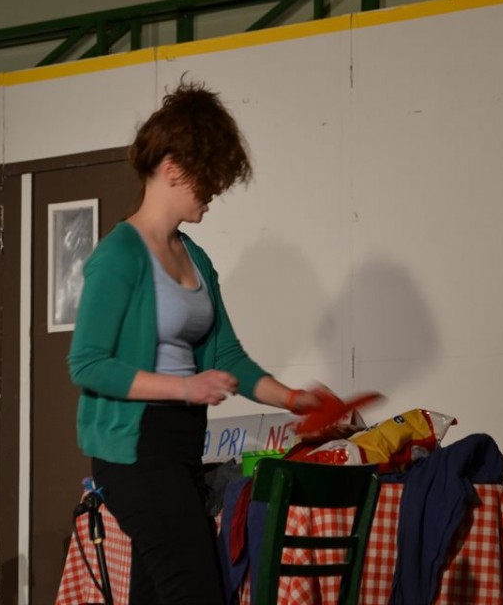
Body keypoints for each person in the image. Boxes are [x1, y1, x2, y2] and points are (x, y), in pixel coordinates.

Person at [67, 80, 322, 604]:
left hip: (182, 447)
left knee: (160, 594)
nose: (215, 191)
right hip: (134, 450)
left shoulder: (196, 258)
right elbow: (87, 365)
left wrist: (294, 399)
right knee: (196, 590)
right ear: (173, 168)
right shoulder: (119, 256)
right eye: (209, 177)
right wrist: (183, 388)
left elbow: (226, 356)